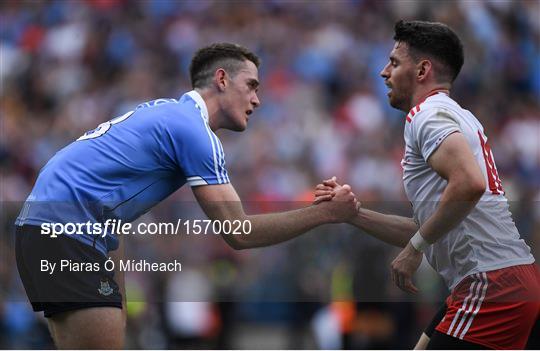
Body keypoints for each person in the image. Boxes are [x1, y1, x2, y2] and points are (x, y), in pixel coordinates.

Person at [15, 43, 359, 349]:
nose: (257, 99)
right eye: (251, 86)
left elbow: (106, 213)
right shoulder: (194, 131)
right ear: (221, 80)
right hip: (66, 231)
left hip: (45, 228)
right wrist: (324, 213)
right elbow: (238, 233)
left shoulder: (167, 114)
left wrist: (116, 298)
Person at [315, 20, 540, 349]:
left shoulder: (427, 115)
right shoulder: (453, 115)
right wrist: (353, 214)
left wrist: (414, 249)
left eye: (393, 62)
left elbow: (469, 184)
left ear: (422, 70)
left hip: (491, 285)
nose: (383, 72)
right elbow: (428, 229)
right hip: (495, 282)